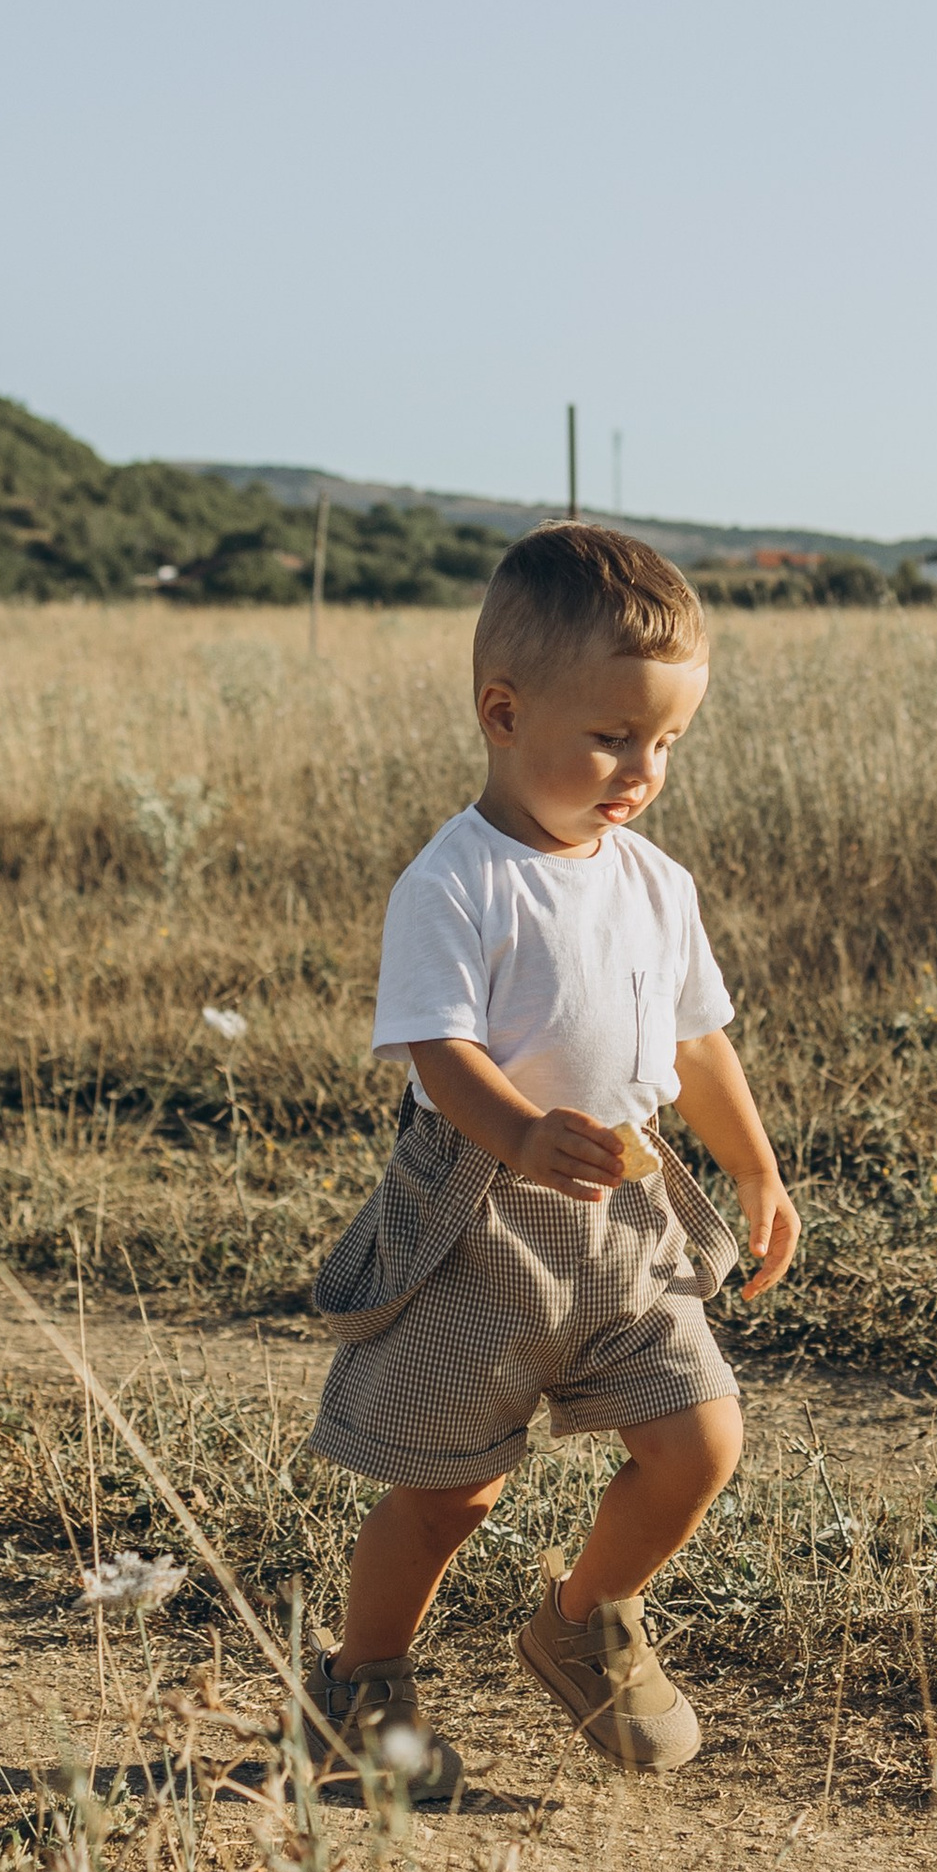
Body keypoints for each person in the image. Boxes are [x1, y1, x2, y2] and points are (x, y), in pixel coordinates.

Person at [302, 521, 800, 1792]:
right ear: (503, 712)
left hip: (627, 1217)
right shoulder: (456, 882)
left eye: (667, 743)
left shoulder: (655, 883)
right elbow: (435, 1048)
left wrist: (753, 1169)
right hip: (478, 1224)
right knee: (448, 1493)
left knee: (699, 1442)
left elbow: (695, 1042)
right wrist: (521, 1131)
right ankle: (362, 1691)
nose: (643, 769)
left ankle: (582, 1621)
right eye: (614, 736)